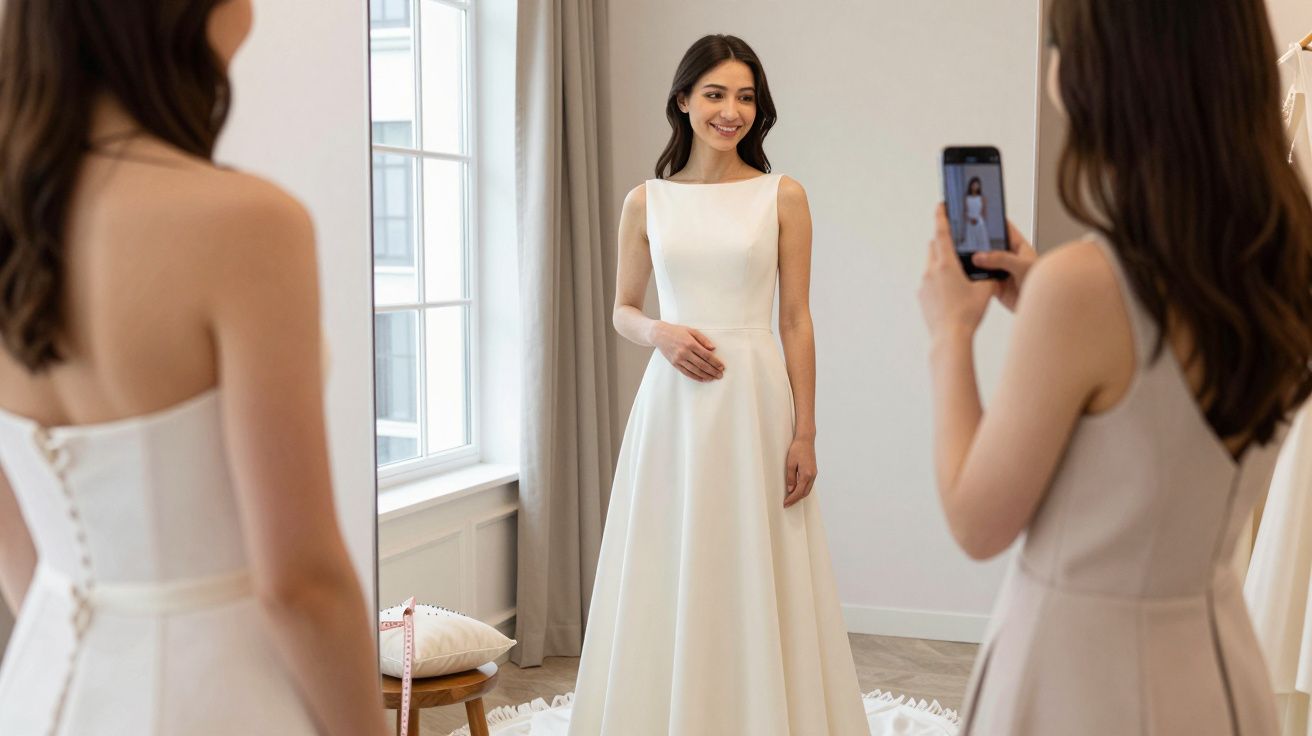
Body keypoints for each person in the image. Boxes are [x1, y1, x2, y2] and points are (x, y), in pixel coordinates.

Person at [918, 0, 1312, 733]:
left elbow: (977, 521)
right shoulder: (1281, 261)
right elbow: (1163, 411)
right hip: (1217, 666)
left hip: (1081, 679)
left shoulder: (1086, 288)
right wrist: (1042, 296)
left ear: (1103, 75)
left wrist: (950, 332)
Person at [0, 2, 389, 734]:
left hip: (42, 684)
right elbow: (299, 582)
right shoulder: (247, 224)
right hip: (217, 697)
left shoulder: (15, 215)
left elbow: (14, 536)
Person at [961, 178, 990, 252]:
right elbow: (965, 210)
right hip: (970, 220)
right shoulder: (966, 197)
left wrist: (981, 219)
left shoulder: (982, 197)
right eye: (973, 185)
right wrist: (967, 219)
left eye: (977, 185)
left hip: (979, 221)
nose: (975, 187)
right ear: (970, 186)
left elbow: (984, 210)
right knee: (971, 240)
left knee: (982, 239)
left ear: (979, 186)